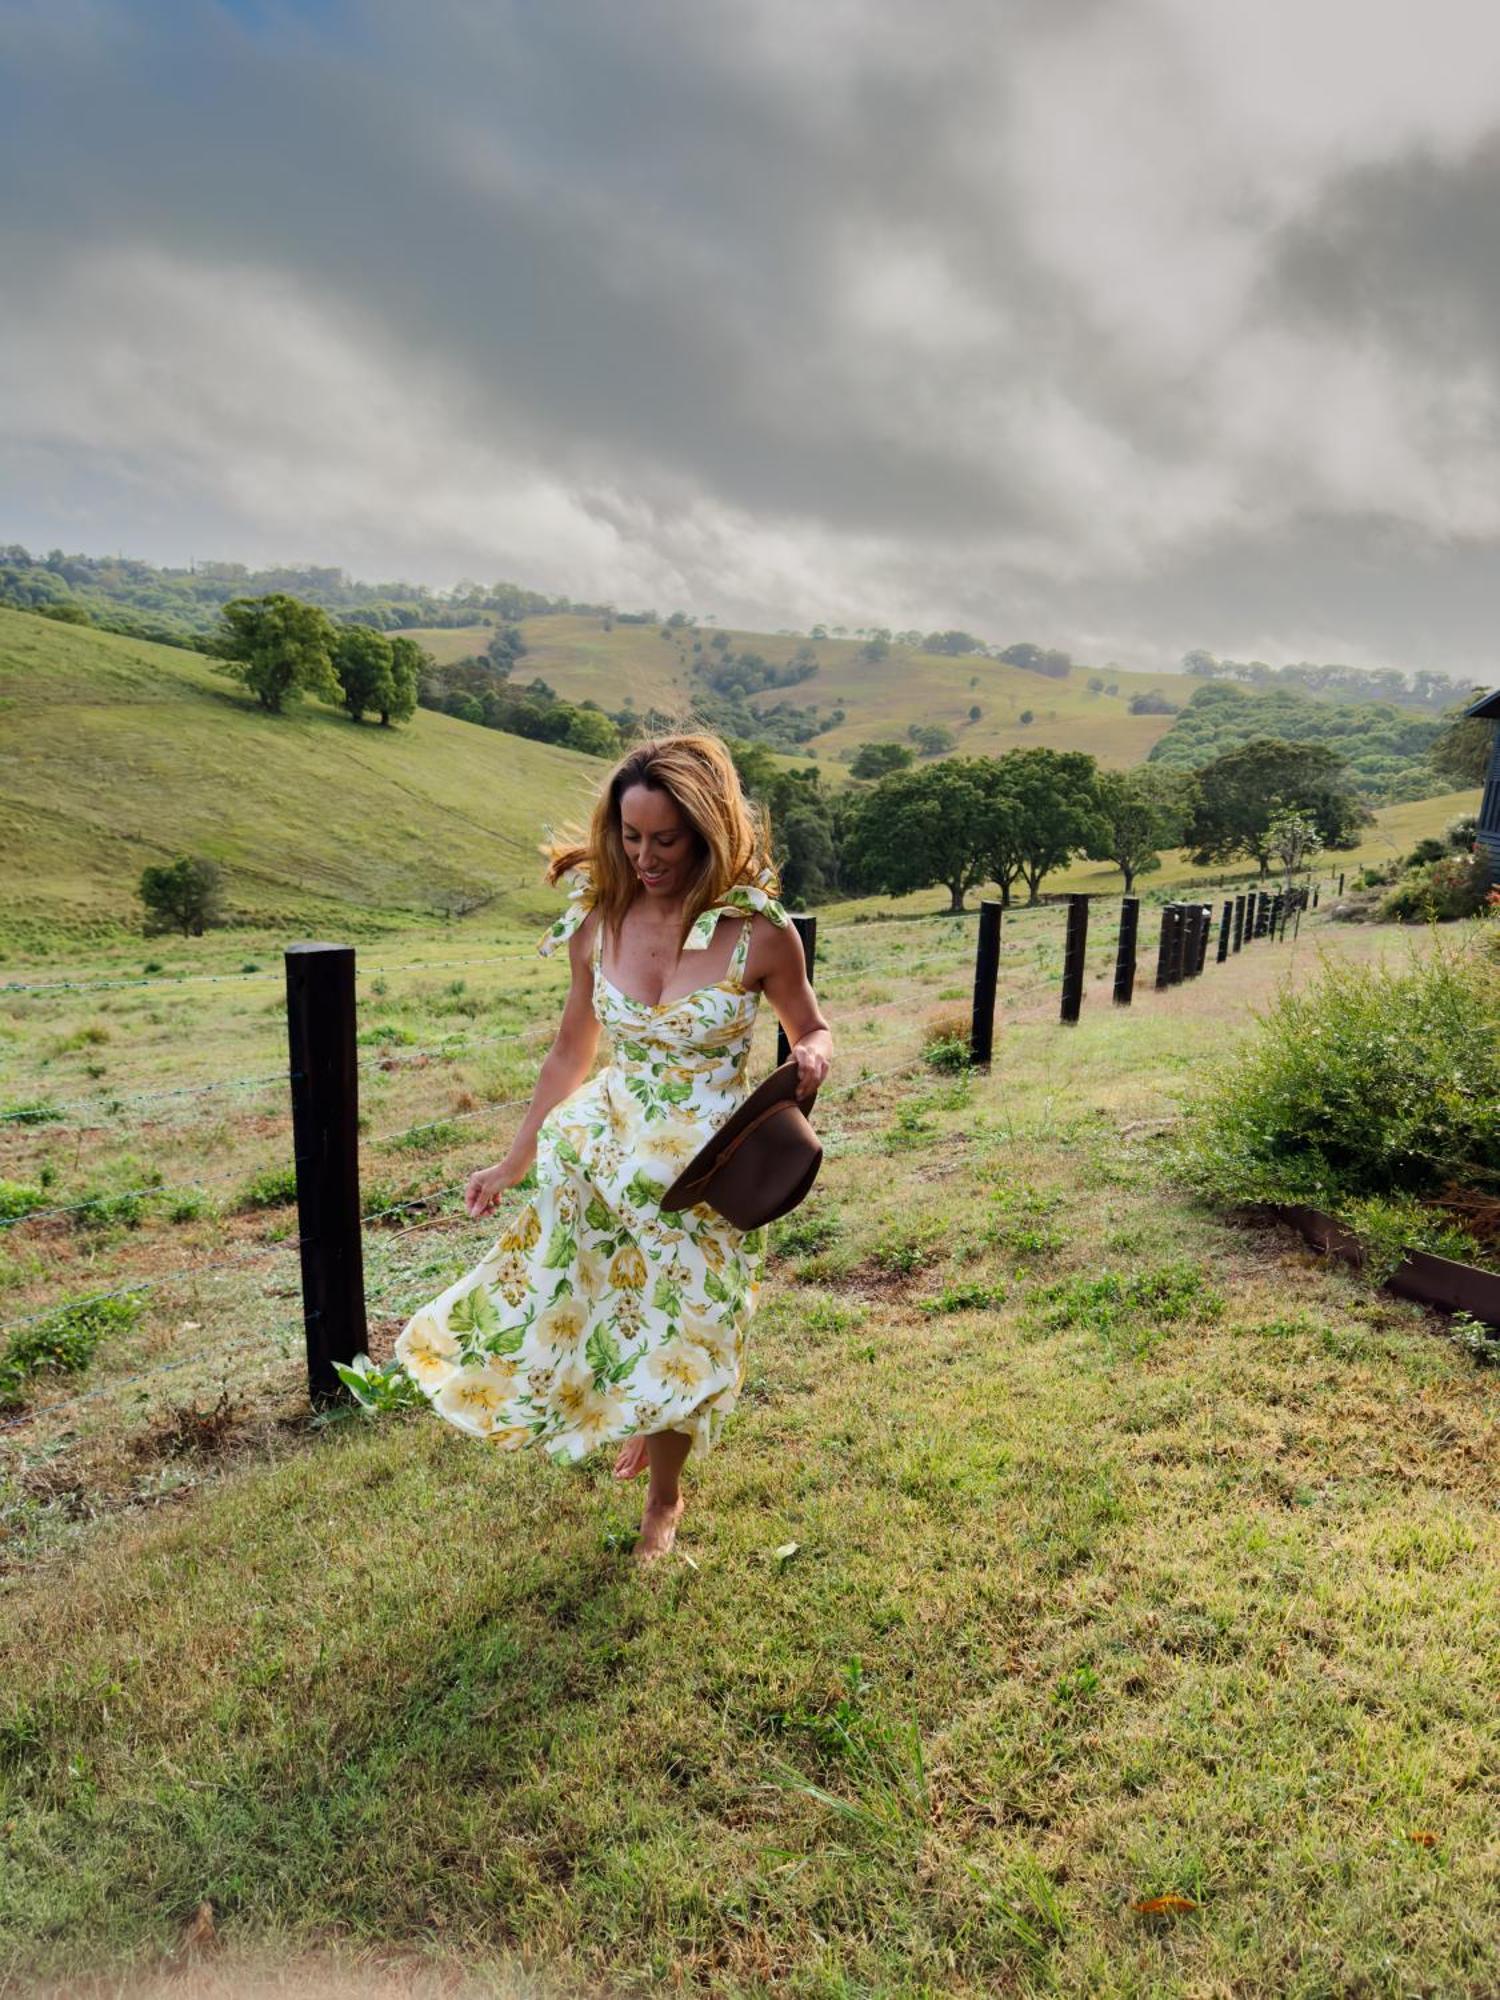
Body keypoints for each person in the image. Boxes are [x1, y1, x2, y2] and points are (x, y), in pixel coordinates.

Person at [392, 733, 832, 1563]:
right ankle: (642, 1431)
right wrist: (511, 1160)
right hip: (600, 1163)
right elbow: (571, 1051)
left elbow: (810, 1025)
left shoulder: (758, 937)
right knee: (603, 1313)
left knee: (694, 1329)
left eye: (664, 839)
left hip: (705, 1175)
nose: (645, 856)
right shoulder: (597, 925)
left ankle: (664, 1495)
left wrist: (811, 1054)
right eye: (631, 838)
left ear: (706, 831)